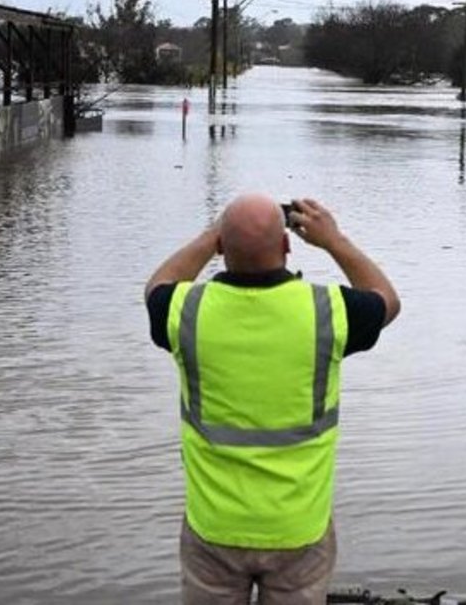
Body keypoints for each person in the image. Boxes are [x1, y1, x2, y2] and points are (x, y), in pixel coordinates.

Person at [145, 194, 401, 605]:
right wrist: (334, 241)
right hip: (298, 527)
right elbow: (387, 299)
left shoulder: (184, 310)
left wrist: (213, 235)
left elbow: (155, 287)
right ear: (287, 246)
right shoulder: (329, 312)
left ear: (221, 248)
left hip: (214, 526)